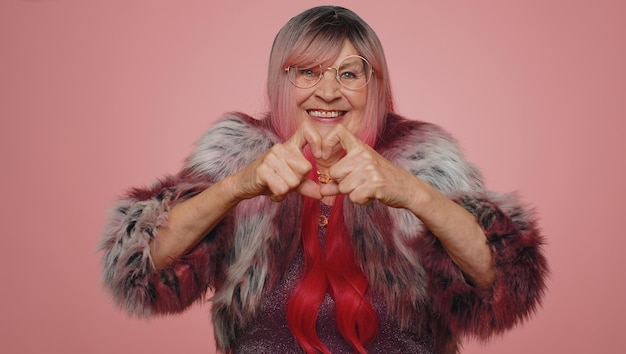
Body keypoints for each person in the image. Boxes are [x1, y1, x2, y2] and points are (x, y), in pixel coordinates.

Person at [99, 6, 548, 354]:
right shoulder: (235, 156)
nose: (329, 91)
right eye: (308, 72)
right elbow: (140, 267)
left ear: (374, 85)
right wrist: (239, 186)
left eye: (349, 74)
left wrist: (411, 192)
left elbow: (501, 281)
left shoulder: (425, 159)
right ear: (281, 82)